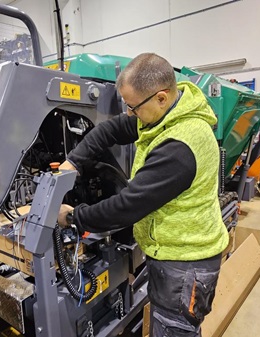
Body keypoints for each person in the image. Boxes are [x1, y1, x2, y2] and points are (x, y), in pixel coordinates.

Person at [57, 52, 229, 337]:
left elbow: (128, 206)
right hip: (173, 256)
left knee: (173, 330)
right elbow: (111, 130)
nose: (130, 114)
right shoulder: (165, 115)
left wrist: (73, 217)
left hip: (185, 267)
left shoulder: (180, 146)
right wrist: (74, 160)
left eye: (133, 107)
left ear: (161, 97)